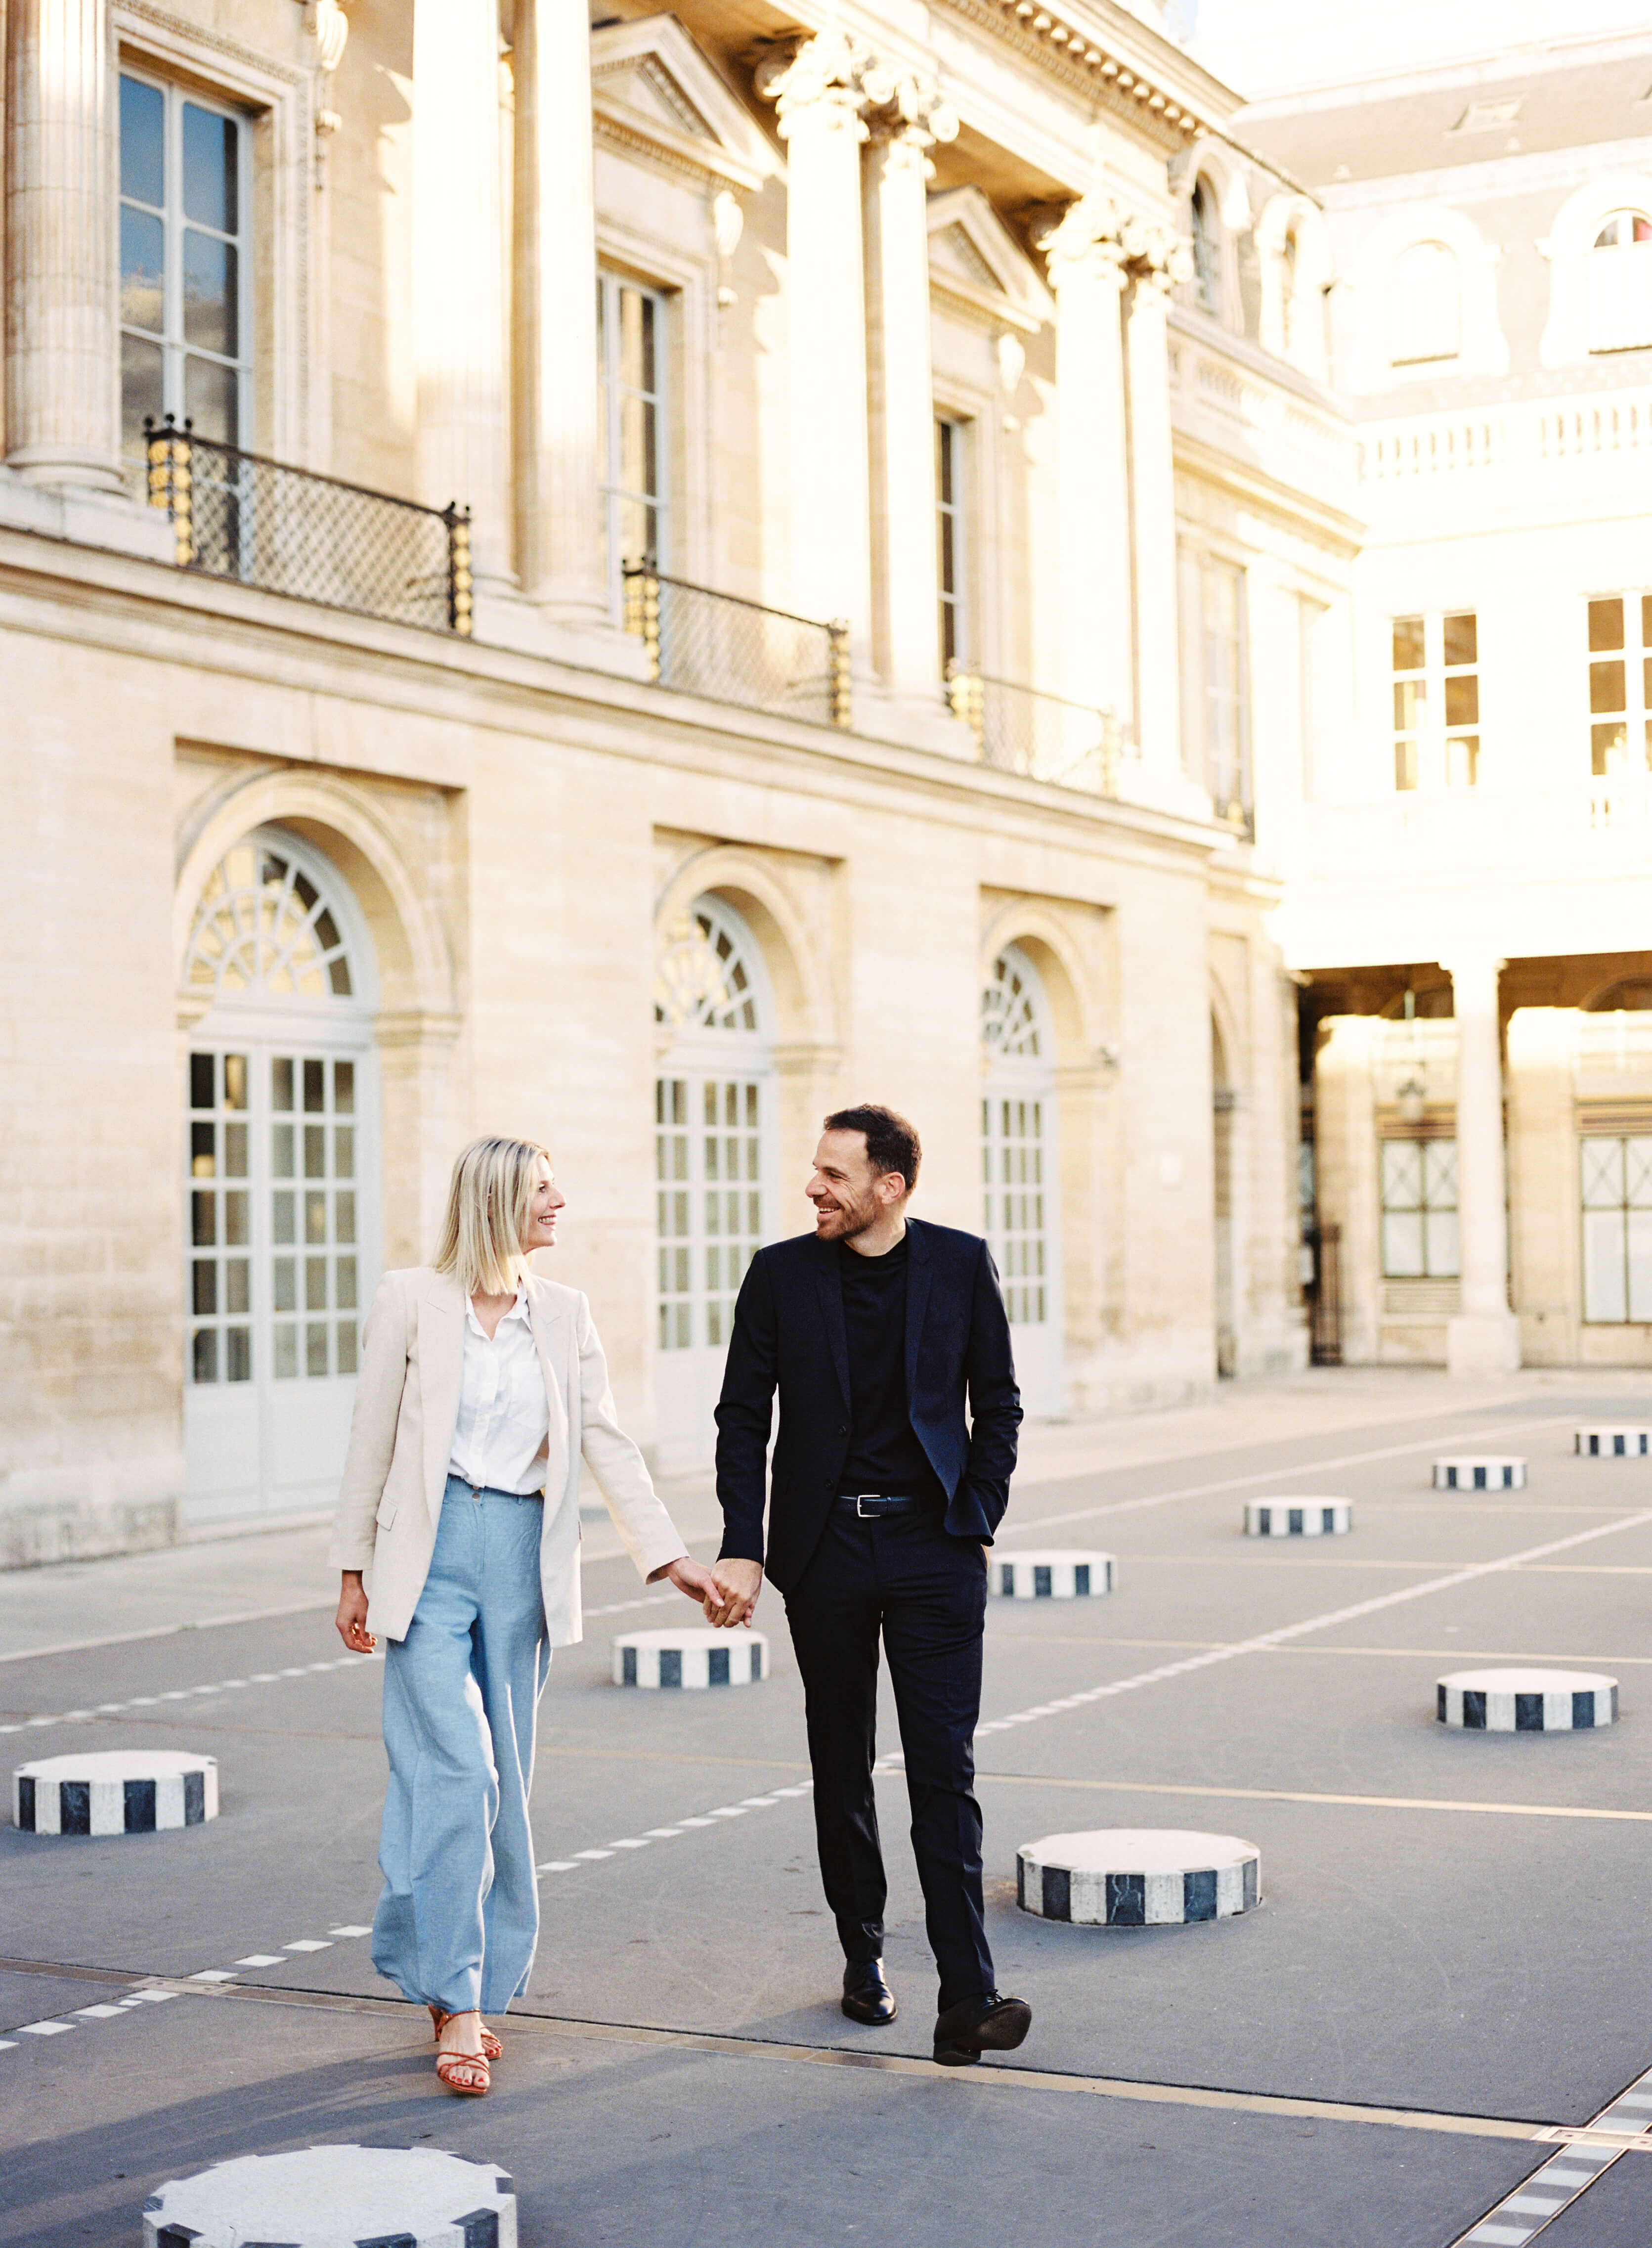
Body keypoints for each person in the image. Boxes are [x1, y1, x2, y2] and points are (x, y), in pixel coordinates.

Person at [329, 1135, 730, 2096]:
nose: (561, 1204)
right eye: (545, 1191)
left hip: (520, 1567)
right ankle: (457, 2004)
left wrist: (669, 1556)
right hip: (423, 1566)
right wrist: (351, 1571)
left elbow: (605, 1441)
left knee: (497, 1782)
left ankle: (454, 1973)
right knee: (454, 1772)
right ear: (498, 1201)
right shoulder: (408, 1301)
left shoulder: (567, 1315)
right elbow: (371, 1440)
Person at [712, 1102, 1031, 2066]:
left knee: (946, 1773)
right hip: (826, 1555)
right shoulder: (779, 1277)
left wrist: (976, 1515)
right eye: (816, 1172)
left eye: (835, 1176)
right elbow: (742, 1419)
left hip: (935, 1550)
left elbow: (999, 1403)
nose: (815, 1187)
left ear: (889, 1188)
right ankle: (864, 1956)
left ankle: (968, 1997)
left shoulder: (960, 1263)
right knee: (843, 1764)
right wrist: (744, 1544)